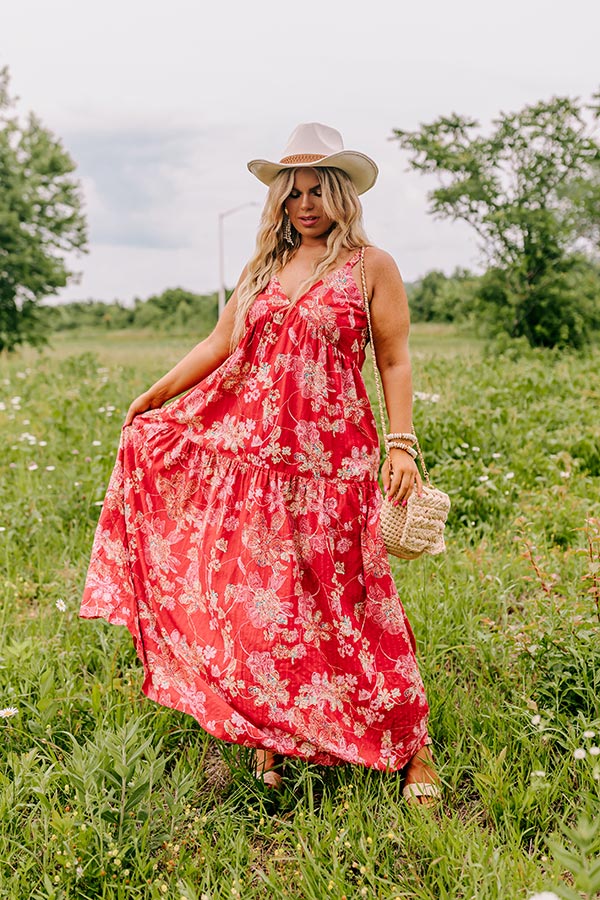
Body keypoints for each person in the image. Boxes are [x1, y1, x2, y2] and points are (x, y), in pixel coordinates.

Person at [79, 122, 440, 804]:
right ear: (279, 200)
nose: (306, 204)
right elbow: (220, 341)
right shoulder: (264, 269)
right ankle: (275, 735)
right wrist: (154, 396)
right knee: (268, 606)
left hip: (335, 468)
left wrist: (402, 443)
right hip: (260, 468)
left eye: (318, 191)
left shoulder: (372, 266)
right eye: (294, 192)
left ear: (341, 195)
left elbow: (393, 357)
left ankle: (411, 745)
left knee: (355, 606)